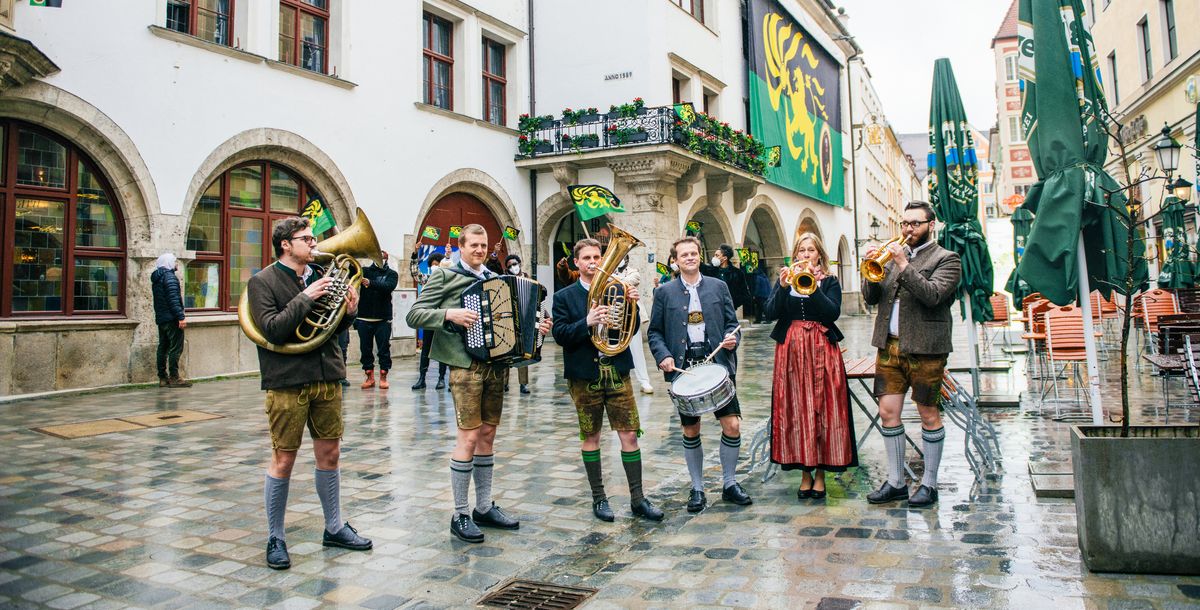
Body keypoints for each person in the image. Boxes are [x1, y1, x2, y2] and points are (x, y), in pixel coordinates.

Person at [406, 224, 553, 543]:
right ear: (461, 246)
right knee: (469, 438)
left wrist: (536, 331)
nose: (479, 249)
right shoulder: (445, 276)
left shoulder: (494, 279)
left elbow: (511, 324)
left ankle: (484, 506)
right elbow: (415, 315)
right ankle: (459, 512)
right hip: (464, 367)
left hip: (496, 367)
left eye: (483, 244)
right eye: (473, 244)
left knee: (487, 435)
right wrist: (450, 315)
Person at [247, 217, 372, 571]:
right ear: (285, 244)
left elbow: (328, 328)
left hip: (327, 376)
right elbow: (273, 329)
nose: (314, 244)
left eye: (313, 238)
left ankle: (334, 526)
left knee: (330, 454)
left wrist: (348, 313)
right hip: (287, 381)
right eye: (306, 239)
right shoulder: (262, 282)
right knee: (283, 459)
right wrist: (304, 297)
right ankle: (276, 536)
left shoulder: (319, 278)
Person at [553, 239, 664, 523]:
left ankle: (638, 498)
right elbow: (560, 335)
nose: (593, 262)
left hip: (616, 370)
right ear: (577, 263)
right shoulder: (564, 296)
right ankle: (599, 497)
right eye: (587, 257)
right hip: (584, 376)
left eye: (597, 257)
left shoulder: (617, 288)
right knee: (591, 436)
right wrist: (587, 321)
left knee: (629, 435)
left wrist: (634, 307)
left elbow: (632, 327)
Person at [862, 201, 961, 508]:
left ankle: (929, 484)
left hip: (927, 348)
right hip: (889, 345)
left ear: (931, 225)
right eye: (904, 223)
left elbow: (933, 296)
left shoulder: (948, 258)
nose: (907, 229)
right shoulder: (890, 258)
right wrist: (870, 273)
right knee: (889, 413)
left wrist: (904, 265)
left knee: (928, 414)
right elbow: (870, 298)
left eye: (914, 224)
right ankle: (895, 482)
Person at [648, 236, 752, 513]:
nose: (690, 258)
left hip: (717, 363)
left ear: (699, 256)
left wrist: (732, 339)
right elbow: (654, 332)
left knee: (732, 425)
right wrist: (664, 356)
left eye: (694, 253)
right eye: (684, 255)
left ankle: (730, 483)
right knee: (691, 428)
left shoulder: (718, 287)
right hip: (685, 367)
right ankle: (697, 488)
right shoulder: (665, 292)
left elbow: (732, 324)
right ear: (676, 261)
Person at [766, 233, 857, 499]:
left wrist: (814, 287)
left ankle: (820, 474)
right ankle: (804, 472)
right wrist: (783, 287)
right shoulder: (784, 280)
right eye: (801, 250)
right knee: (796, 408)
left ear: (819, 255)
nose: (806, 255)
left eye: (811, 250)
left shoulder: (829, 281)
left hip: (821, 349)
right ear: (795, 255)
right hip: (791, 350)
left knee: (823, 407)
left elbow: (831, 313)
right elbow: (770, 313)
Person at [356, 251, 399, 389]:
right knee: (365, 349)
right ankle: (369, 377)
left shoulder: (392, 274)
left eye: (383, 256)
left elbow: (388, 287)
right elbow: (352, 272)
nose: (381, 258)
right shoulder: (365, 271)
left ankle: (383, 376)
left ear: (387, 259)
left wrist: (370, 283)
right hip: (364, 316)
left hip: (383, 318)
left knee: (384, 349)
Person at [615, 255, 655, 395]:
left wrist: (608, 278)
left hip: (631, 315)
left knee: (636, 348)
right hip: (612, 314)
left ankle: (644, 380)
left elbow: (629, 282)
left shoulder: (633, 271)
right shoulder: (607, 271)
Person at [151, 252, 191, 388]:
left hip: (161, 318)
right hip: (172, 318)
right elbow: (173, 300)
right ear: (168, 263)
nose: (176, 264)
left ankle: (162, 377)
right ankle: (174, 378)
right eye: (174, 261)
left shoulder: (157, 277)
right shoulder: (170, 278)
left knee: (163, 347)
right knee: (176, 347)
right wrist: (180, 317)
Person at [413, 253, 449, 390]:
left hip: (442, 318)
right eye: (432, 264)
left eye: (437, 264)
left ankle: (441, 379)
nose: (435, 266)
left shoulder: (446, 279)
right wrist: (414, 256)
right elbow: (415, 274)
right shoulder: (427, 279)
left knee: (443, 350)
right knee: (426, 350)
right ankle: (422, 378)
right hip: (429, 318)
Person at [504, 253, 531, 394]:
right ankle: (504, 383)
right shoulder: (506, 279)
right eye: (509, 266)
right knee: (506, 352)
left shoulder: (528, 278)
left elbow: (535, 296)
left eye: (514, 264)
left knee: (523, 353)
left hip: (524, 319)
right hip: (509, 320)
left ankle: (523, 384)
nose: (513, 267)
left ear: (519, 264)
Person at [705, 244, 750, 318]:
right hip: (712, 309)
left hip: (729, 311)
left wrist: (733, 304)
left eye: (717, 255)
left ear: (725, 258)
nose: (714, 258)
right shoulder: (709, 270)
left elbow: (745, 294)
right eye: (714, 255)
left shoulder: (737, 273)